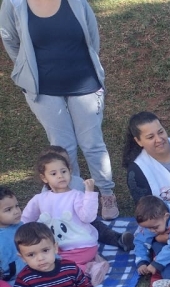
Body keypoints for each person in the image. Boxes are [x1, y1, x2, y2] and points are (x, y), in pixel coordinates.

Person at [0, 0, 118, 220]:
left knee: (92, 142)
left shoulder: (76, 2)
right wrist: (23, 67)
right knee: (63, 147)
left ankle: (107, 194)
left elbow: (92, 38)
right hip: (43, 88)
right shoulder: (14, 4)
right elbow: (10, 38)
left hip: (84, 82)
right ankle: (73, 198)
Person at [22, 152, 110, 285]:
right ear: (44, 178)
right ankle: (92, 261)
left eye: (63, 171)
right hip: (58, 248)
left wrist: (89, 193)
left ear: (70, 171)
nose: (60, 176)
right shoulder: (39, 199)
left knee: (57, 267)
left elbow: (88, 217)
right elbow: (25, 221)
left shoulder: (77, 196)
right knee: (47, 262)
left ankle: (90, 268)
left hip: (81, 245)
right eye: (53, 173)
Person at [42, 145, 134, 252]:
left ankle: (119, 240)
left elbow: (86, 205)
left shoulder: (78, 181)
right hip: (62, 225)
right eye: (54, 171)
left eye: (65, 166)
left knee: (99, 227)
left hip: (82, 219)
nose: (60, 174)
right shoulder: (46, 190)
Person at [0, 188, 25, 283]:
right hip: (10, 283)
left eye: (17, 206)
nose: (16, 211)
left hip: (32, 274)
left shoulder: (22, 227)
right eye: (8, 209)